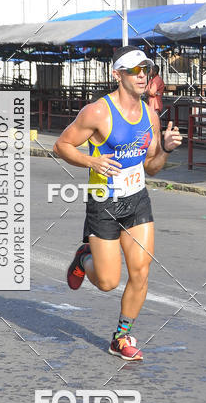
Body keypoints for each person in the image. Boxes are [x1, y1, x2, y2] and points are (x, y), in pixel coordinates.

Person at [53, 46, 182, 362]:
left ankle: (121, 338)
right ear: (117, 74)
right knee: (109, 282)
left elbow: (151, 167)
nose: (142, 77)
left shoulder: (150, 115)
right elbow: (61, 145)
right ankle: (85, 259)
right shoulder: (98, 112)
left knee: (141, 271)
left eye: (146, 71)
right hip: (104, 202)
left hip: (137, 200)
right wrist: (89, 161)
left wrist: (164, 149)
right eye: (135, 71)